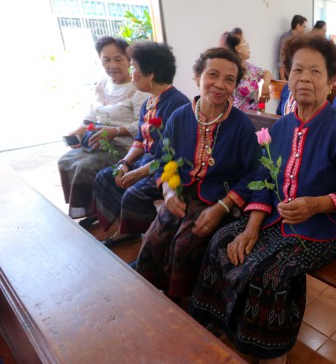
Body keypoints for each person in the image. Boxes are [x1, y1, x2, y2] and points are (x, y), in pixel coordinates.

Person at [190, 33, 336, 364]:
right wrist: (251, 227)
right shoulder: (282, 127)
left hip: (323, 229)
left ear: (331, 80)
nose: (304, 78)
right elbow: (263, 179)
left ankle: (274, 354)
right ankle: (222, 320)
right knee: (223, 242)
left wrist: (315, 205)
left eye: (315, 72)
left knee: (269, 272)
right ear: (288, 75)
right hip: (274, 218)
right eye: (297, 70)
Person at [134, 47, 261, 301]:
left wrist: (221, 208)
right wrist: (168, 191)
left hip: (221, 198)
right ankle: (151, 300)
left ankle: (181, 304)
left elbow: (252, 176)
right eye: (212, 75)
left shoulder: (241, 125)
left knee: (185, 246)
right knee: (153, 240)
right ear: (197, 76)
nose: (220, 85)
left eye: (229, 79)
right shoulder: (180, 117)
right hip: (182, 192)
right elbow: (165, 159)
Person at [93, 42, 190, 248]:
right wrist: (124, 163)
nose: (131, 74)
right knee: (106, 176)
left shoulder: (177, 104)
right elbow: (140, 140)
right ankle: (126, 229)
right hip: (147, 160)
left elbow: (175, 154)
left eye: (134, 68)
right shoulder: (149, 102)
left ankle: (149, 239)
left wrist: (138, 173)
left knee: (135, 192)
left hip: (168, 166)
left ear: (151, 75)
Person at [58, 36, 148, 225]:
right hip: (97, 142)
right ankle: (89, 209)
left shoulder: (138, 88)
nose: (112, 65)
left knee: (85, 167)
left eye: (118, 59)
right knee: (65, 161)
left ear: (128, 60)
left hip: (124, 147)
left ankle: (102, 213)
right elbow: (91, 114)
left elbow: (142, 125)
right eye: (106, 60)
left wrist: (115, 131)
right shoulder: (102, 85)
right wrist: (80, 130)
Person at [220, 31, 272, 111]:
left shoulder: (249, 67)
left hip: (256, 114)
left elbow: (266, 72)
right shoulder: (231, 71)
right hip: (238, 114)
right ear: (238, 49)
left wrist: (266, 84)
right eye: (245, 43)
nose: (248, 47)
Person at [276, 14, 307, 79]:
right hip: (287, 73)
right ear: (298, 26)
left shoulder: (301, 38)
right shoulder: (285, 37)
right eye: (304, 26)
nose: (305, 29)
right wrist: (282, 76)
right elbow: (281, 58)